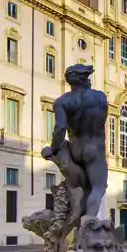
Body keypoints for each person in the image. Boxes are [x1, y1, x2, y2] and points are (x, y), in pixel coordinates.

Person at [42, 64, 108, 221]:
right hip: (94, 148)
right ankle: (88, 223)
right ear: (85, 79)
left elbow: (60, 129)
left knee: (84, 188)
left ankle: (77, 219)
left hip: (75, 148)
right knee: (98, 187)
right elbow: (100, 121)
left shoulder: (62, 102)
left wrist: (52, 148)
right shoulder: (100, 97)